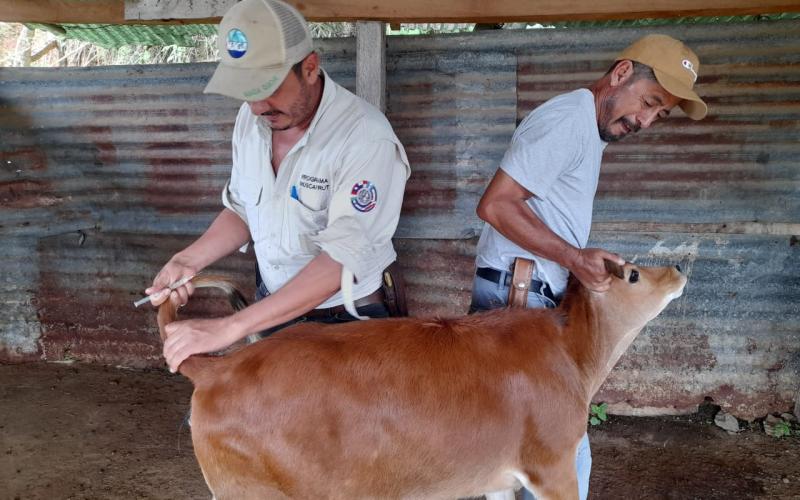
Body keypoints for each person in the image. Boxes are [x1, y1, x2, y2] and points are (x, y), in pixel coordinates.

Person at [470, 34, 707, 499]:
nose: (646, 120)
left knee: (519, 453)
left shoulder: (586, 129)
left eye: (660, 113)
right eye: (649, 101)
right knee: (558, 455)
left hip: (531, 293)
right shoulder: (567, 119)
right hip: (519, 298)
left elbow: (544, 215)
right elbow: (496, 206)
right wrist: (574, 258)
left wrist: (578, 254)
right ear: (621, 74)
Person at [145, 0, 410, 374]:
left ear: (310, 68)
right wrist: (186, 261)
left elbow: (340, 261)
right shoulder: (253, 120)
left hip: (344, 323)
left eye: (268, 87)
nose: (257, 106)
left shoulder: (365, 139)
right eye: (246, 91)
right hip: (270, 313)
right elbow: (242, 209)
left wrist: (230, 328)